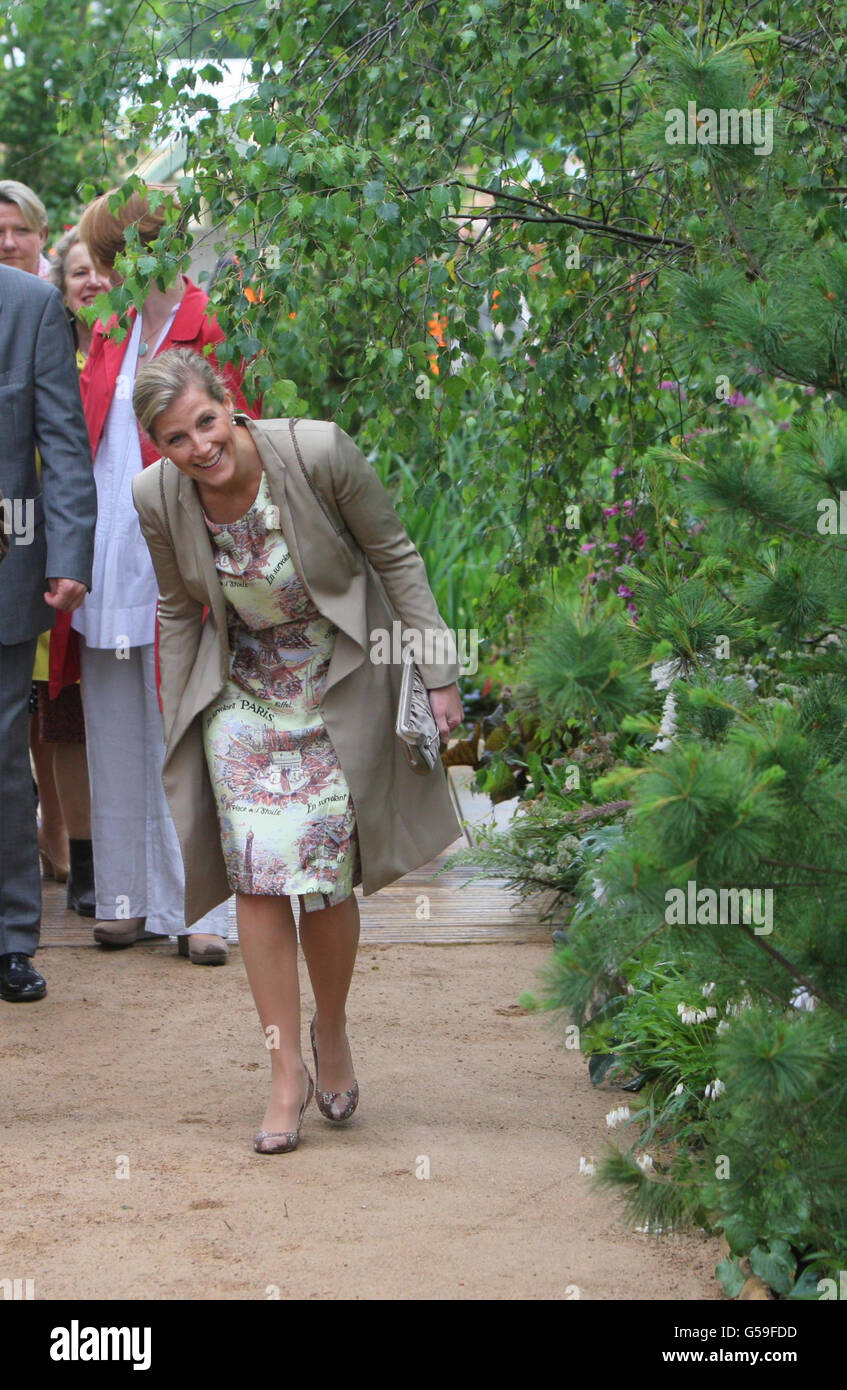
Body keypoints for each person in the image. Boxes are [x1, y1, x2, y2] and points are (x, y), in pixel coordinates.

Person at [131, 348, 464, 1152]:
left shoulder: (315, 452)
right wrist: (177, 710)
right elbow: (179, 610)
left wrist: (441, 672)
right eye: (177, 439)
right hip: (243, 694)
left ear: (228, 404)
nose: (199, 448)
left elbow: (394, 556)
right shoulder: (155, 497)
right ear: (159, 447)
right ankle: (284, 1072)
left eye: (205, 423)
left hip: (338, 676)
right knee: (256, 865)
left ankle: (335, 1030)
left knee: (323, 872)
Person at [63, 184, 255, 963]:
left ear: (141, 247)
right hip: (108, 551)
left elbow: (238, 437)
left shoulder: (211, 321)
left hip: (179, 551)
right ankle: (125, 897)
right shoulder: (109, 329)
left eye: (106, 257)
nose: (98, 274)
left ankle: (202, 910)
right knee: (114, 724)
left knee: (191, 725)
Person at [0, 261, 97, 1002]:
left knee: (5, 764)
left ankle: (10, 942)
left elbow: (63, 442)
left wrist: (68, 554)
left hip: (8, 567)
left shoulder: (31, 305)